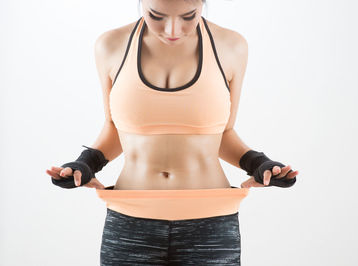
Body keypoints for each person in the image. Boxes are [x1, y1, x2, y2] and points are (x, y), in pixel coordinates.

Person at [46, 0, 299, 264]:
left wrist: (260, 164)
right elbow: (115, 128)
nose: (173, 30)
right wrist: (85, 164)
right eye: (156, 16)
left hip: (211, 224)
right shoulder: (110, 46)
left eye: (189, 16)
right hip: (130, 222)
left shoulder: (231, 46)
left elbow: (223, 133)